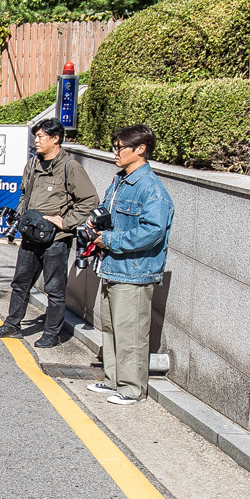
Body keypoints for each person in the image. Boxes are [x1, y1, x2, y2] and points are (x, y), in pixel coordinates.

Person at [0, 119, 97, 346]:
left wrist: (66, 222)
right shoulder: (33, 165)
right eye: (35, 136)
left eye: (41, 137)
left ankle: (51, 333)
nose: (36, 141)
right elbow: (24, 197)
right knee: (20, 283)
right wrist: (19, 218)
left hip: (56, 240)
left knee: (54, 289)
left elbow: (89, 200)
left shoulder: (70, 168)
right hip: (30, 236)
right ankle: (12, 325)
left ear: (56, 138)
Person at [86, 123, 172, 406]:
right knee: (111, 328)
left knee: (131, 333)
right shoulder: (120, 180)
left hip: (134, 272)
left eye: (121, 147)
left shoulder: (151, 188)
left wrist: (110, 240)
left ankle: (133, 389)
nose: (116, 152)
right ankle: (113, 379)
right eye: (115, 146)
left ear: (141, 149)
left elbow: (153, 230)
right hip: (112, 266)